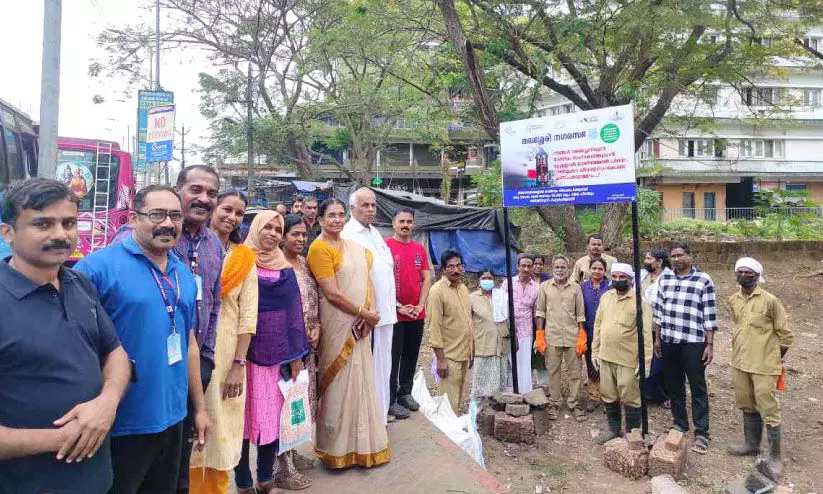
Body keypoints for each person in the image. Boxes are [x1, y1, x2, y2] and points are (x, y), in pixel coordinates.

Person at [0, 178, 130, 494]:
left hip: (96, 480)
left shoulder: (79, 283)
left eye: (68, 223)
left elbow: (115, 353)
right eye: (43, 224)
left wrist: (107, 403)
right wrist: (67, 437)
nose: (60, 234)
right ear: (8, 233)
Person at [76, 185, 209, 493]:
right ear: (134, 219)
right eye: (157, 214)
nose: (168, 223)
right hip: (121, 422)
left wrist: (199, 409)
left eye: (175, 215)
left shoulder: (183, 274)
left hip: (174, 417)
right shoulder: (96, 269)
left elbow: (189, 343)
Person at [111, 165, 223, 493]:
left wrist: (206, 358)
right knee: (131, 472)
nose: (203, 199)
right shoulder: (133, 243)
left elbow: (212, 304)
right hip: (139, 380)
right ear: (179, 189)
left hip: (189, 367)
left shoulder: (213, 244)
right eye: (196, 190)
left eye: (211, 193)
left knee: (176, 471)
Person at [306, 198, 390, 469]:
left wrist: (372, 313)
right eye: (330, 215)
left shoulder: (354, 247)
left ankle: (363, 445)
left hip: (361, 326)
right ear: (319, 219)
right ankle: (336, 450)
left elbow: (368, 281)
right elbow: (331, 293)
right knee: (339, 385)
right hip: (337, 327)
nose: (337, 220)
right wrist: (365, 314)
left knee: (362, 380)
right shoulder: (318, 249)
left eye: (341, 215)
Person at [234, 210, 312, 493]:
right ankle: (243, 483)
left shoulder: (284, 267)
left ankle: (265, 478)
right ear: (255, 228)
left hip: (275, 356)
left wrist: (295, 357)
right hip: (242, 355)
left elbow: (294, 315)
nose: (272, 234)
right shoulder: (240, 261)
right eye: (266, 227)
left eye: (277, 230)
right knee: (240, 422)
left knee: (271, 417)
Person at [189, 191, 258, 494]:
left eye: (239, 213)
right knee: (189, 428)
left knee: (220, 432)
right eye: (227, 209)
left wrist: (238, 366)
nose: (232, 217)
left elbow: (248, 316)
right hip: (191, 349)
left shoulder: (244, 258)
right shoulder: (187, 248)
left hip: (227, 353)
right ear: (213, 208)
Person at [727, 257, 792, 482]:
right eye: (740, 271)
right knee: (746, 401)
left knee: (768, 406)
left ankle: (775, 457)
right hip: (740, 362)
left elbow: (785, 335)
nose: (743, 275)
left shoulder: (770, 301)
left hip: (764, 364)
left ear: (757, 276)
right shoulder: (733, 300)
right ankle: (751, 444)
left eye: (748, 272)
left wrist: (774, 358)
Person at [652, 242, 717, 455]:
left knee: (697, 386)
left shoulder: (703, 280)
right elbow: (659, 312)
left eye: (681, 255)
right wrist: (657, 340)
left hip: (693, 342)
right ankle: (680, 423)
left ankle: (701, 432)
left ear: (690, 256)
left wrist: (710, 344)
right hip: (670, 340)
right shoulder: (666, 279)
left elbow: (709, 315)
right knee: (674, 384)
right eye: (674, 256)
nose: (677, 259)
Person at [341, 188, 397, 423]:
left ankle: (381, 415)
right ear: (352, 208)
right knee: (367, 369)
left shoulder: (374, 232)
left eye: (373, 205)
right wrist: (364, 312)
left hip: (386, 313)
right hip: (366, 314)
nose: (371, 210)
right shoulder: (348, 234)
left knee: (384, 366)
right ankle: (368, 419)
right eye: (365, 205)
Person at [591, 264, 652, 444]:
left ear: (630, 279)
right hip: (606, 355)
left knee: (630, 395)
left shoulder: (640, 303)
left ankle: (632, 433)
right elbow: (598, 325)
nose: (618, 280)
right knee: (608, 393)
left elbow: (646, 335)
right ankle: (613, 429)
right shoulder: (606, 297)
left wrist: (645, 362)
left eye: (622, 277)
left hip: (627, 358)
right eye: (615, 276)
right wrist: (595, 351)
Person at [281, 213, 321, 472]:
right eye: (294, 233)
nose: (300, 239)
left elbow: (314, 302)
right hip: (285, 347)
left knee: (300, 401)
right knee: (284, 404)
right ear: (283, 237)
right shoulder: (275, 265)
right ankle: (281, 466)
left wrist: (316, 327)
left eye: (304, 234)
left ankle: (293, 452)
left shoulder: (305, 264)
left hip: (308, 346)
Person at [385, 207, 432, 419]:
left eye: (409, 221)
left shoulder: (419, 249)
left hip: (416, 314)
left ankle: (405, 392)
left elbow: (426, 278)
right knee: (392, 358)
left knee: (411, 356)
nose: (406, 225)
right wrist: (398, 306)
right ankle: (390, 399)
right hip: (394, 314)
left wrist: (421, 305)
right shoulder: (385, 247)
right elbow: (382, 282)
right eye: (402, 221)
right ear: (394, 223)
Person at [534, 255, 587, 421]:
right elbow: (540, 312)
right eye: (557, 267)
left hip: (572, 336)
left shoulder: (575, 288)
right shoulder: (544, 287)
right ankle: (555, 403)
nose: (560, 270)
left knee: (575, 372)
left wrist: (582, 336)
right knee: (553, 371)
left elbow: (580, 314)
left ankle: (574, 403)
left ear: (568, 268)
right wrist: (540, 335)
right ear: (552, 268)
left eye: (563, 267)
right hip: (552, 336)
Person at [427, 250, 474, 413]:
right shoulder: (436, 291)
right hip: (449, 357)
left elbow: (468, 321)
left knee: (457, 400)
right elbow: (434, 328)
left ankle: (454, 436)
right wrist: (440, 359)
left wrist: (471, 352)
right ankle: (446, 436)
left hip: (463, 354)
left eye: (458, 265)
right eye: (451, 266)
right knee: (448, 406)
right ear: (443, 269)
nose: (455, 270)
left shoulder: (463, 289)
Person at [470, 270, 509, 403]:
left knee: (499, 384)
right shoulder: (472, 298)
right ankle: (478, 411)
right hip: (483, 345)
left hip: (501, 344)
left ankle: (496, 409)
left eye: (490, 277)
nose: (487, 280)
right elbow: (468, 323)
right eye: (484, 277)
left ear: (494, 280)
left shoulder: (501, 296)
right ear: (479, 281)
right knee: (480, 386)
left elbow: (508, 318)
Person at [640, 248, 672, 408]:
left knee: (660, 363)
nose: (646, 261)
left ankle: (665, 394)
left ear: (659, 262)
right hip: (643, 325)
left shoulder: (669, 278)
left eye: (649, 259)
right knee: (644, 359)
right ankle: (647, 393)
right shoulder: (642, 276)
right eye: (646, 258)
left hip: (661, 326)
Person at [505, 254, 539, 394]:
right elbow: (502, 306)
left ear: (532, 268)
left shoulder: (536, 288)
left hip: (526, 330)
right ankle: (509, 393)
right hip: (509, 330)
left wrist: (539, 335)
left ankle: (524, 394)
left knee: (524, 363)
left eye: (529, 266)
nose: (526, 269)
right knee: (509, 362)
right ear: (518, 266)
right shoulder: (508, 283)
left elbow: (536, 313)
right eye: (523, 266)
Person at [580, 258, 610, 412]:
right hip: (589, 331)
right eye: (594, 268)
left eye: (600, 269)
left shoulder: (611, 287)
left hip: (607, 333)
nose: (597, 271)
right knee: (592, 365)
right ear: (589, 269)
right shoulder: (582, 287)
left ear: (605, 271)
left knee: (607, 365)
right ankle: (594, 396)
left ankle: (609, 398)